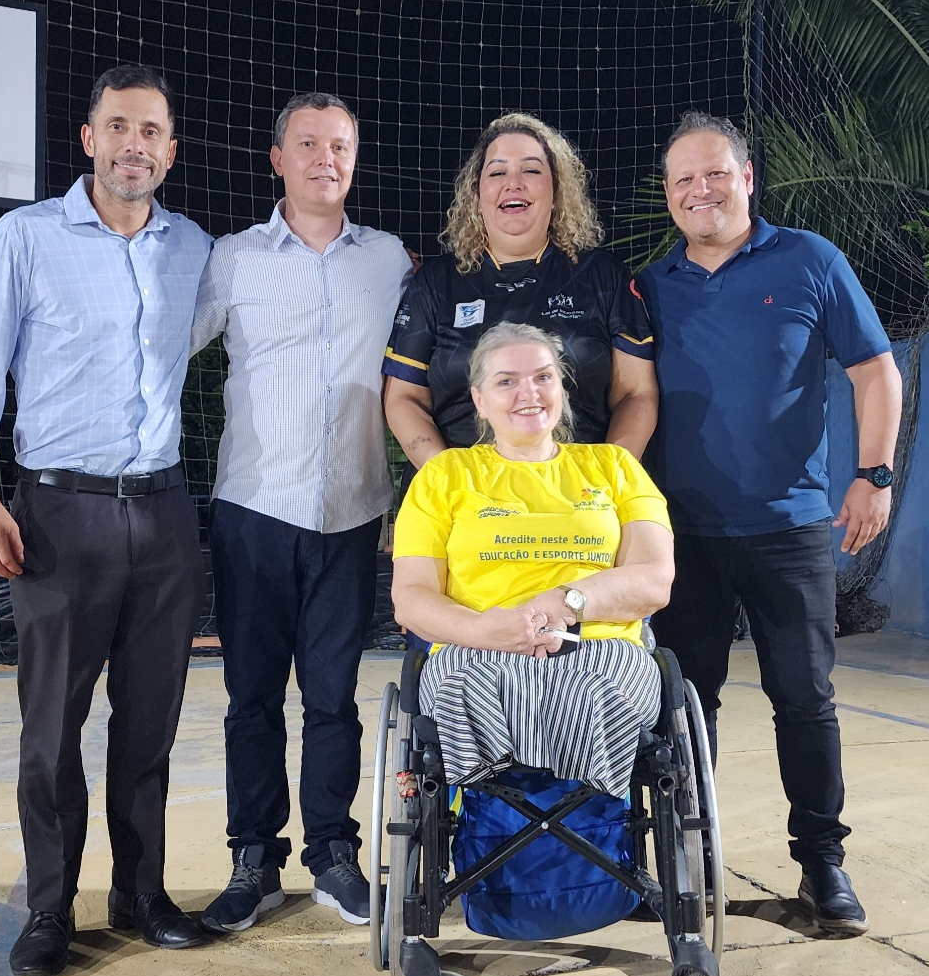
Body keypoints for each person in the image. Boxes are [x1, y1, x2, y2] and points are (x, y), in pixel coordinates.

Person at [637, 110, 903, 936]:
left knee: (804, 698)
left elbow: (875, 371)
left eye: (715, 173)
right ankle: (686, 859)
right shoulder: (649, 284)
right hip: (680, 532)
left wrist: (873, 475)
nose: (700, 190)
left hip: (788, 528)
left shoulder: (809, 260)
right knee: (685, 705)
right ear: (668, 194)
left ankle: (821, 864)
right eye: (683, 179)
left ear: (747, 178)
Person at [0, 65, 213, 976]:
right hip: (56, 512)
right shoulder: (25, 237)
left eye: (151, 130)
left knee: (150, 721)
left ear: (171, 150)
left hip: (162, 511)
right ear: (88, 138)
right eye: (118, 125)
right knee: (51, 728)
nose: (134, 145)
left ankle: (141, 894)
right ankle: (50, 907)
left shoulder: (193, 247)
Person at [191, 92, 412, 933]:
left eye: (341, 145)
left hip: (351, 512)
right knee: (251, 697)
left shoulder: (387, 259)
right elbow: (162, 348)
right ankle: (254, 859)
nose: (326, 158)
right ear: (276, 158)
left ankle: (332, 855)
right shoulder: (233, 258)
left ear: (355, 160)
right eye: (309, 144)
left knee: (333, 698)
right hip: (254, 510)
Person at [391, 321, 674, 797]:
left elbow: (654, 580)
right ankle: (500, 818)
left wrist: (566, 603)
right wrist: (484, 630)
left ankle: (584, 822)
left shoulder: (615, 467)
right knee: (465, 688)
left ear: (562, 387)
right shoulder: (444, 475)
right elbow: (411, 597)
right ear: (479, 399)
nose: (530, 392)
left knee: (596, 690)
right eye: (507, 381)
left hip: (599, 648)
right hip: (474, 649)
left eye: (543, 377)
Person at [382, 113, 658, 485]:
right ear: (477, 194)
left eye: (531, 170)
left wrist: (606, 479)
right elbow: (403, 399)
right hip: (461, 498)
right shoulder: (434, 283)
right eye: (497, 172)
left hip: (577, 494)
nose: (513, 183)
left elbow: (637, 394)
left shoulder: (604, 276)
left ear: (557, 189)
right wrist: (447, 481)